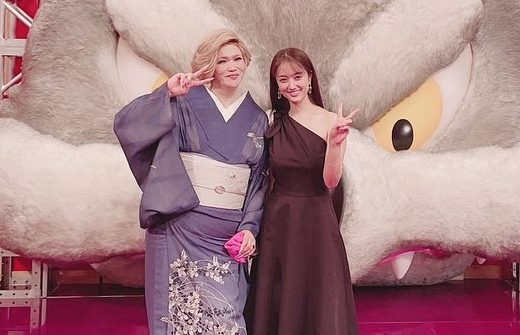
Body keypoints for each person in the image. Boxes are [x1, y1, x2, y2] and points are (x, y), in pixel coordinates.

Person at [114, 28, 268, 335]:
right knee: (178, 319)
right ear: (210, 65)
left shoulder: (258, 117)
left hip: (226, 234)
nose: (232, 67)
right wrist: (167, 94)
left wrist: (249, 228)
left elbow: (259, 183)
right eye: (222, 61)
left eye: (237, 59)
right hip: (180, 227)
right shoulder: (184, 101)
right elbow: (127, 125)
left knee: (225, 320)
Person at [246, 47, 360, 335]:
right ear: (277, 85)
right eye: (283, 79)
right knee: (279, 295)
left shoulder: (331, 121)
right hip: (279, 222)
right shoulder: (272, 122)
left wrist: (335, 144)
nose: (291, 85)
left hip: (316, 221)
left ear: (310, 78)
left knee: (317, 296)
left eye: (297, 76)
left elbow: (331, 181)